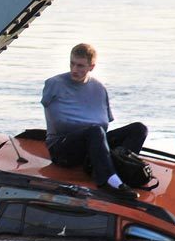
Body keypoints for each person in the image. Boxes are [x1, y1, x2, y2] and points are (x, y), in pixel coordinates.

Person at [41, 43, 148, 199]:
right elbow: (59, 123)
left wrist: (95, 135)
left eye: (80, 66)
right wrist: (91, 129)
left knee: (139, 129)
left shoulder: (98, 88)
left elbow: (105, 123)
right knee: (95, 130)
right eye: (72, 63)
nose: (74, 69)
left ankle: (122, 171)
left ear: (91, 67)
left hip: (91, 145)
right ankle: (108, 181)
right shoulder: (54, 84)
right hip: (62, 148)